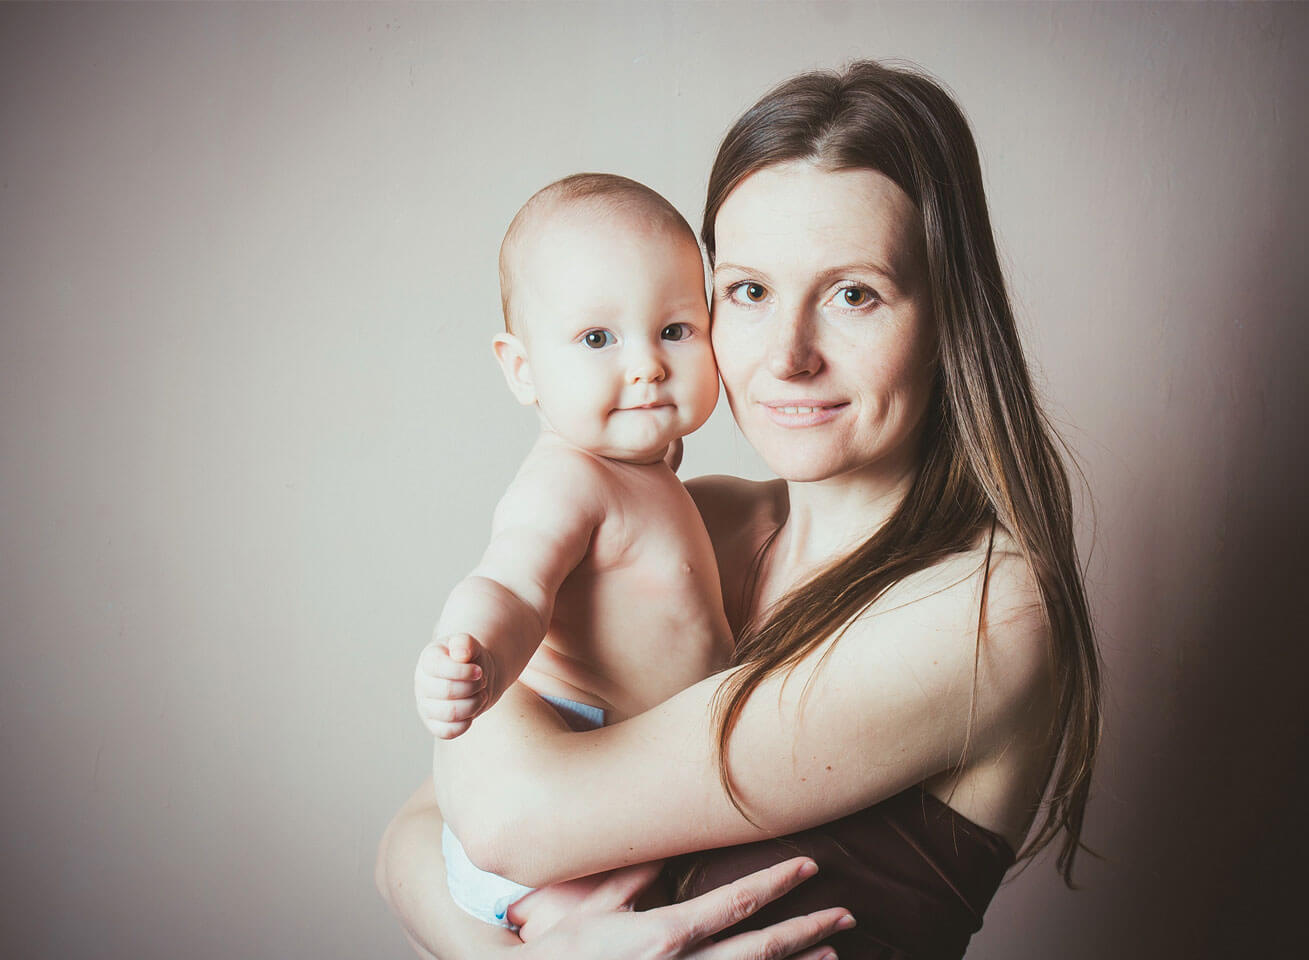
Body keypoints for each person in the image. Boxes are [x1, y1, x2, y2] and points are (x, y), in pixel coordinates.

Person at [377, 59, 1101, 960]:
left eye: (853, 294)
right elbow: (410, 839)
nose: (788, 356)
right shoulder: (691, 522)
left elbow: (504, 819)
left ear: (946, 319)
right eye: (750, 291)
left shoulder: (986, 609)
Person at [415, 174, 735, 931]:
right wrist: (472, 654)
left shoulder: (652, 464)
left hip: (605, 790)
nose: (646, 365)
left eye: (676, 330)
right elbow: (512, 583)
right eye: (598, 339)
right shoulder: (565, 482)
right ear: (522, 368)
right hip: (554, 802)